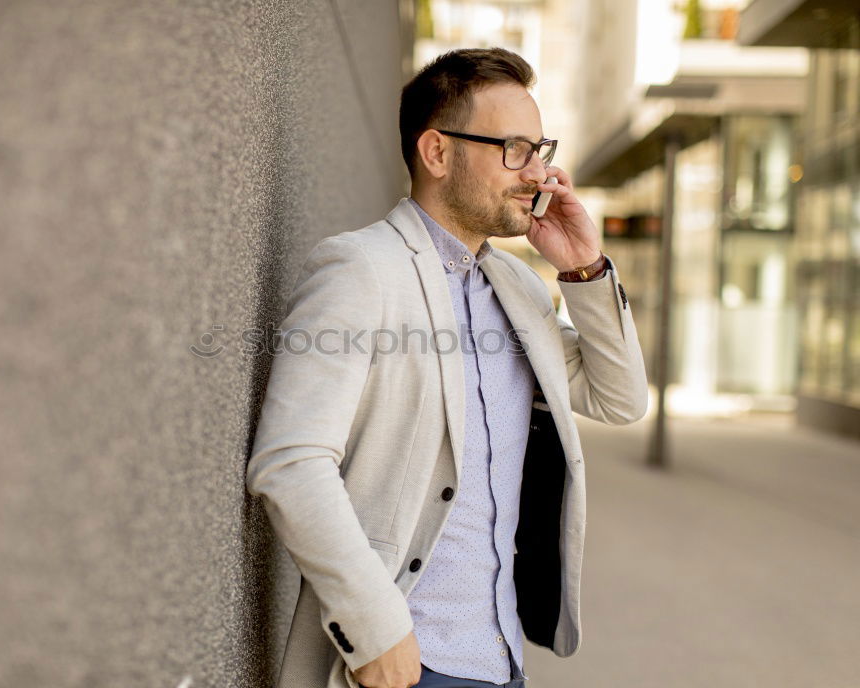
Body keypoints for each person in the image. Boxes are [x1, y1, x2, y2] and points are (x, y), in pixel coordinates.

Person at [246, 47, 648, 688]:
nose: (539, 173)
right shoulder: (361, 270)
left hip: (499, 656)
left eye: (541, 148)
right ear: (436, 153)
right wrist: (376, 630)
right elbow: (291, 462)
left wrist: (583, 269)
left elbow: (621, 399)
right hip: (403, 662)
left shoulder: (517, 286)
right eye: (514, 149)